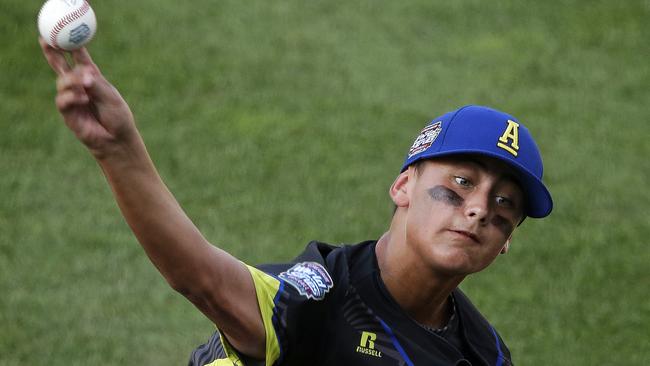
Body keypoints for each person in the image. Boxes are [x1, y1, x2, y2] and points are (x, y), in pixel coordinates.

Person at [40, 39, 552, 366]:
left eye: (505, 202)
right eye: (461, 182)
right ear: (402, 188)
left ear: (507, 241)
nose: (481, 207)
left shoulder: (483, 354)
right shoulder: (318, 299)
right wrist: (119, 149)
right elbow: (200, 277)